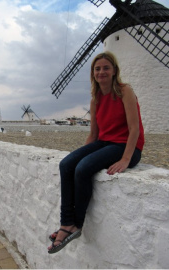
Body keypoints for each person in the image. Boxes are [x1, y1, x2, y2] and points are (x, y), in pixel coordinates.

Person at [48, 51, 144, 254]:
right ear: (93, 73)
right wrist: (81, 153)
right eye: (97, 68)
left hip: (127, 146)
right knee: (67, 164)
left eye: (106, 68)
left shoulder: (125, 91)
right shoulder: (96, 98)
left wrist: (126, 158)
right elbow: (93, 134)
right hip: (104, 142)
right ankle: (66, 222)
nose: (101, 72)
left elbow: (134, 128)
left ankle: (76, 225)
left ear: (114, 71)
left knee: (83, 169)